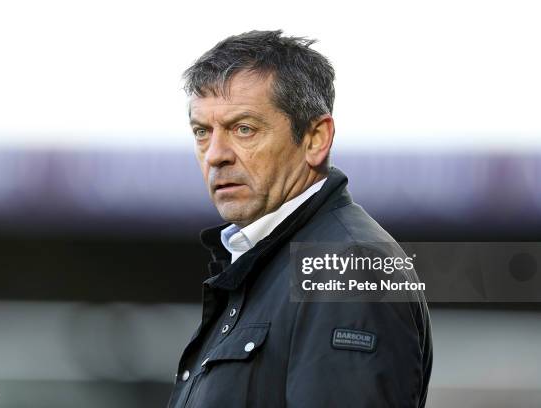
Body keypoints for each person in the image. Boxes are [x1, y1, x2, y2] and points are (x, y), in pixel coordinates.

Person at [168, 30, 432, 408]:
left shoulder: (345, 267)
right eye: (202, 132)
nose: (215, 155)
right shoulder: (267, 263)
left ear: (315, 139)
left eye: (244, 129)